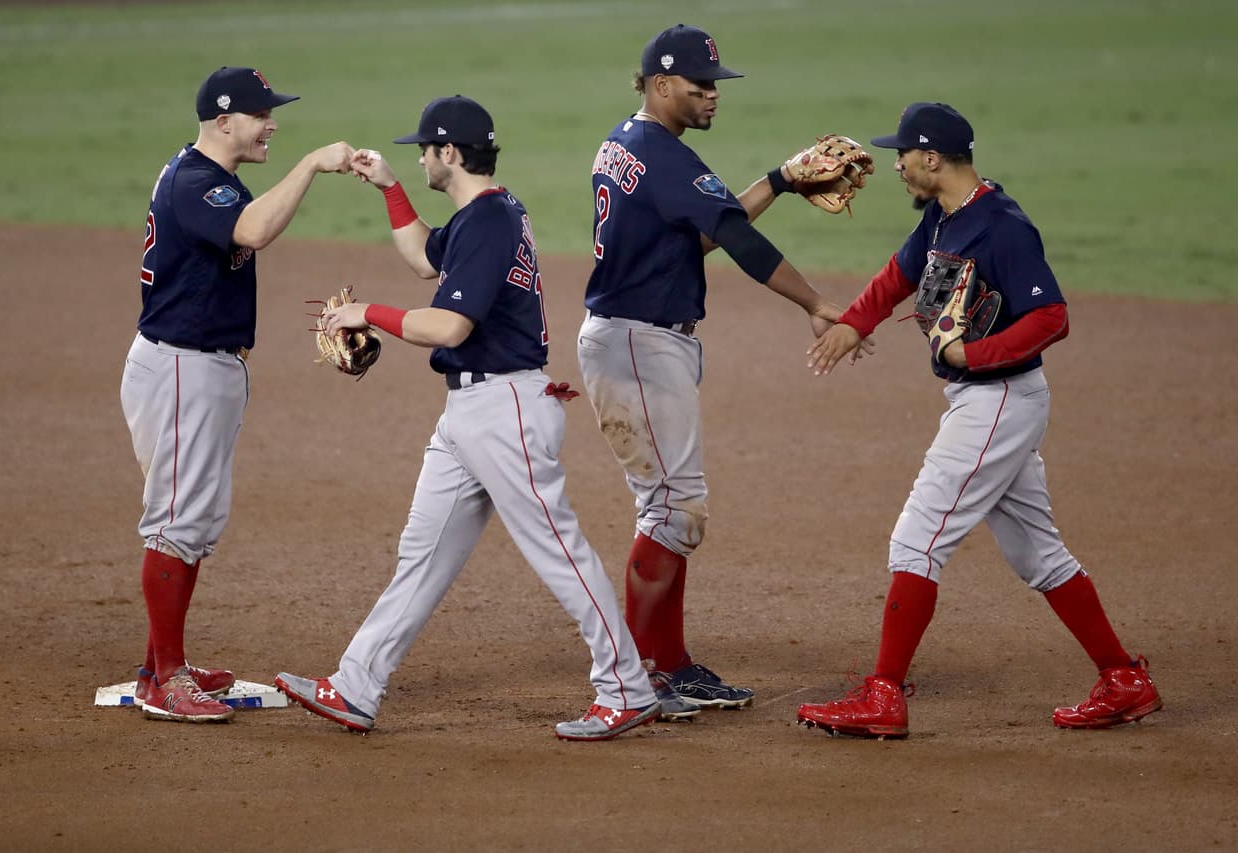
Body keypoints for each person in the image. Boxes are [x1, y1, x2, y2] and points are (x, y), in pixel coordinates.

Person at [274, 95, 660, 741]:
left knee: (558, 550)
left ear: (448, 153)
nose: (420, 157)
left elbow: (448, 324)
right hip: (472, 411)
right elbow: (427, 257)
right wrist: (392, 189)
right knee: (422, 554)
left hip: (504, 407)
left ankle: (625, 686)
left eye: (422, 151)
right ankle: (357, 683)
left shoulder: (487, 222)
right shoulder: (487, 214)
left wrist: (368, 312)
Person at [799, 102, 1163, 738]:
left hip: (998, 400)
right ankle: (1123, 679)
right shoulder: (944, 217)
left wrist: (973, 353)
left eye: (903, 155)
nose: (897, 165)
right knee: (1038, 554)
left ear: (933, 158)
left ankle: (883, 696)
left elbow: (1052, 318)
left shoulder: (1002, 227)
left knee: (917, 539)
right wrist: (855, 323)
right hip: (989, 402)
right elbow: (899, 275)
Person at [578, 24, 862, 719]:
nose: (712, 94)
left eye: (715, 84)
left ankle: (665, 664)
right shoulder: (663, 153)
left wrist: (781, 180)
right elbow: (734, 239)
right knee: (673, 507)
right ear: (661, 85)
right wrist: (818, 303)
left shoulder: (627, 142)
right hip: (639, 343)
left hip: (632, 337)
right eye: (701, 84)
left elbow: (700, 229)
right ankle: (648, 670)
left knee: (669, 507)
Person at [121, 66, 354, 722]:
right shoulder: (197, 181)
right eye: (261, 114)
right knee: (176, 522)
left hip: (203, 369)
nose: (272, 122)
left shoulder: (213, 180)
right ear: (224, 121)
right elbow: (251, 230)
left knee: (194, 522)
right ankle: (165, 679)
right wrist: (312, 164)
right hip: (179, 369)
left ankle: (158, 665)